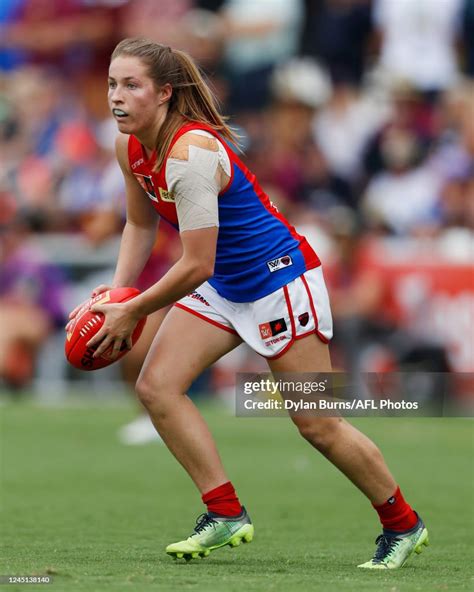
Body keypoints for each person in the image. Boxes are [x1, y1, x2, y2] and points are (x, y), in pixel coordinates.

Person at [67, 37, 428, 568]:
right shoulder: (130, 146)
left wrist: (134, 309)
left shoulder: (189, 155)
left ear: (165, 93)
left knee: (317, 425)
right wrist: (115, 295)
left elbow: (196, 265)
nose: (116, 97)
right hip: (227, 286)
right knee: (157, 386)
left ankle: (403, 524)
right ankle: (225, 512)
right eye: (112, 85)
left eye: (132, 86)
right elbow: (140, 223)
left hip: (279, 283)